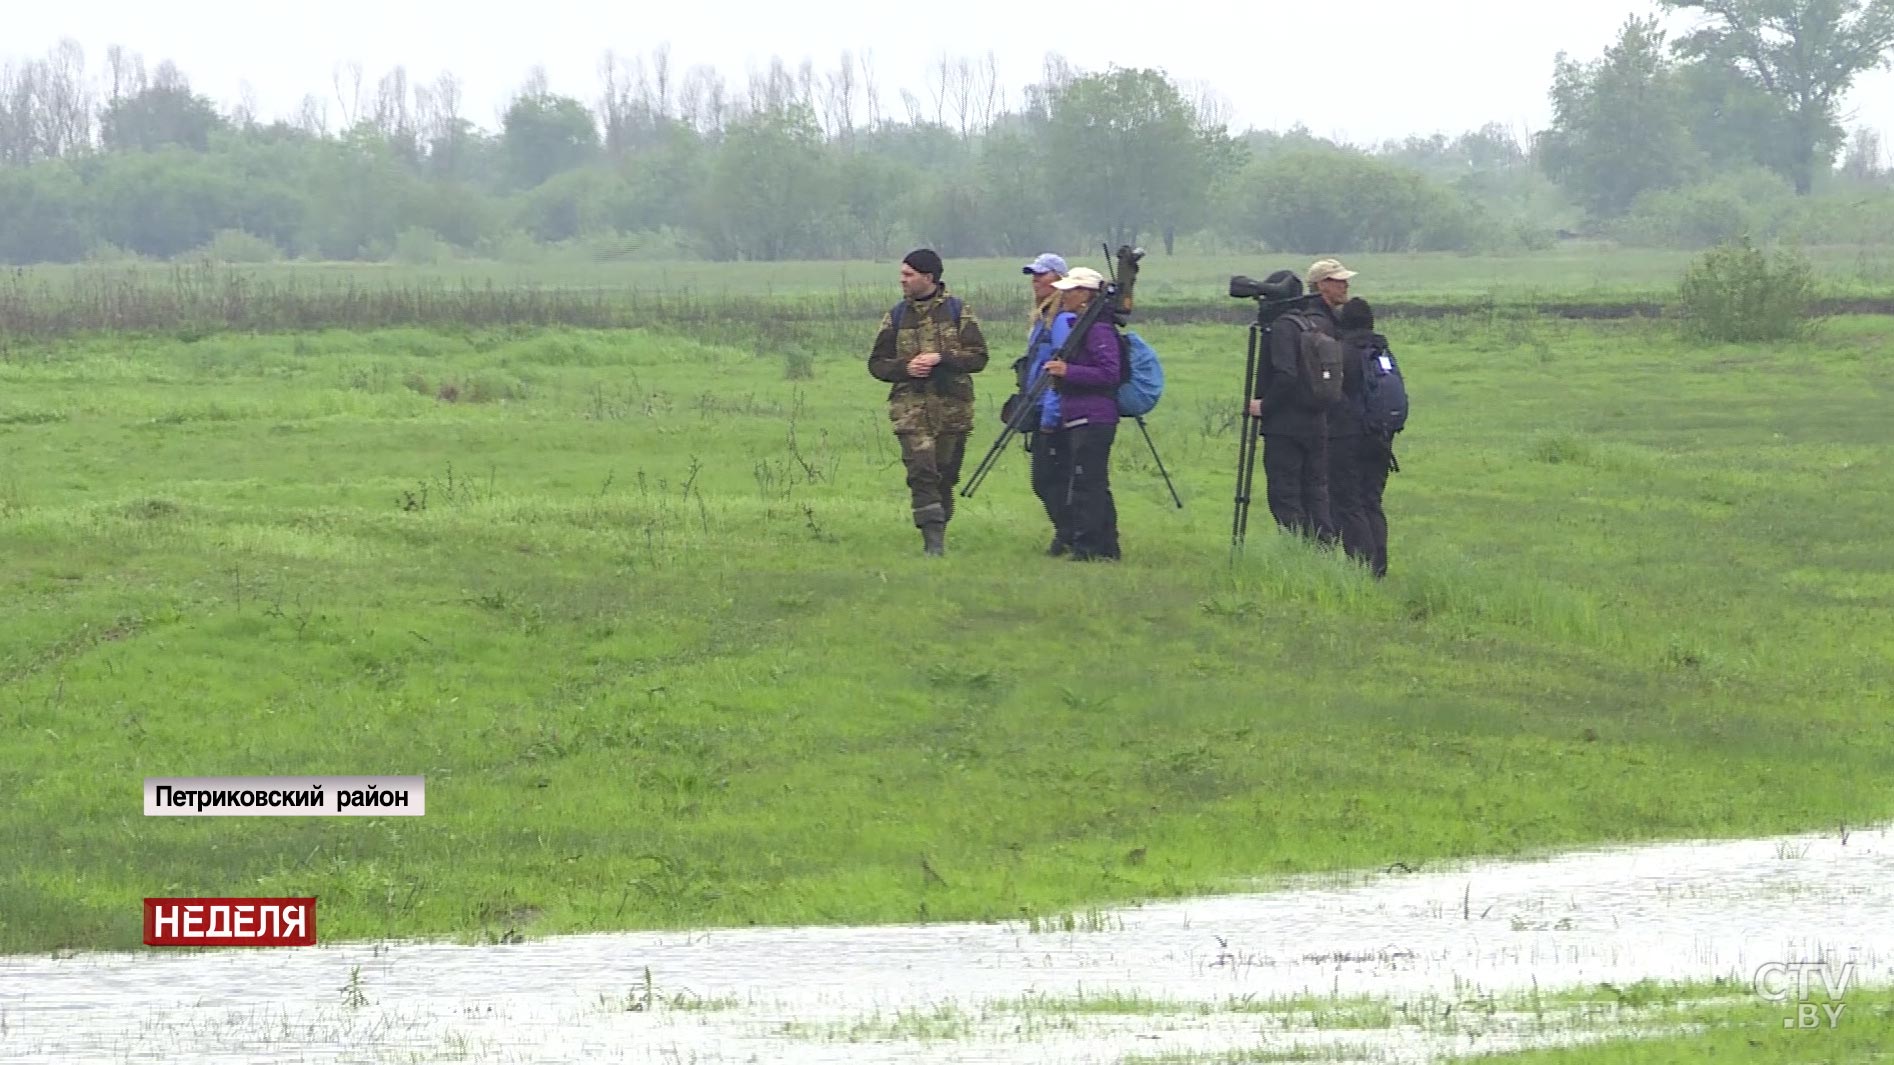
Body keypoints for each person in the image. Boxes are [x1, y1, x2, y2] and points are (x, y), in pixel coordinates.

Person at [867, 249, 990, 556]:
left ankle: (939, 528)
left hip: (953, 409)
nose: (902, 280)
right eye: (902, 274)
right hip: (910, 408)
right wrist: (905, 368)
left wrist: (942, 359)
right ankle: (932, 543)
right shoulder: (895, 316)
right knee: (921, 470)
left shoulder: (959, 312)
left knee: (944, 474)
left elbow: (979, 358)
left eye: (908, 275)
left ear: (929, 278)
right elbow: (877, 363)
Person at [1246, 257, 1353, 543]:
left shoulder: (1284, 327)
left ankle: (1301, 550)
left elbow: (1286, 376)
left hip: (1286, 426)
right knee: (1316, 493)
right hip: (1316, 422)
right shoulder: (1311, 324)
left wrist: (1263, 406)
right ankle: (1324, 549)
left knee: (1285, 494)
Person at [1039, 266, 1121, 561]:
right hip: (1081, 415)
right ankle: (1107, 548)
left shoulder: (1097, 328)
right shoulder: (1083, 324)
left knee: (1087, 483)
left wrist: (1067, 370)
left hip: (1093, 416)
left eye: (1070, 290)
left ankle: (1088, 549)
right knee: (1093, 482)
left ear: (1085, 294)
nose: (1064, 296)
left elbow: (1110, 373)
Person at [1329, 296, 1394, 577]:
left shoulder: (1342, 351)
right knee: (1372, 500)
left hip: (1348, 436)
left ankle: (1361, 567)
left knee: (1350, 502)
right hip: (1382, 437)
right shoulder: (1382, 351)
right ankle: (1379, 566)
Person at [1018, 252, 1072, 555]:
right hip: (1038, 408)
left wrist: (1050, 417)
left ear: (1060, 280)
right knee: (1047, 478)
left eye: (1042, 274)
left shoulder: (1061, 319)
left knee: (1047, 478)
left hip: (1053, 412)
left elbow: (1058, 370)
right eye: (1034, 274)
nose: (1035, 280)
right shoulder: (1043, 317)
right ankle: (1068, 533)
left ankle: (1068, 533)